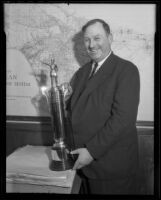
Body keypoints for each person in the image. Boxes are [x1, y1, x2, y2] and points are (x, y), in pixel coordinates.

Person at [68, 19, 140, 194]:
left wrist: (91, 152)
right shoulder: (82, 73)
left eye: (97, 38)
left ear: (110, 38)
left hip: (110, 170)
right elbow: (76, 112)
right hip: (83, 167)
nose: (91, 45)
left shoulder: (126, 70)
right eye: (87, 39)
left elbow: (123, 119)